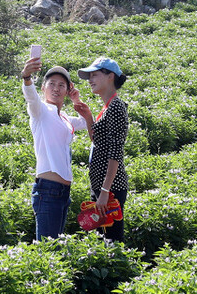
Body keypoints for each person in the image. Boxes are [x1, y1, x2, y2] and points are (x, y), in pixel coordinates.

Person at [21, 56, 88, 239]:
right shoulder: (41, 111)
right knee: (48, 248)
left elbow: (86, 122)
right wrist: (27, 77)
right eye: (51, 84)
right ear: (43, 88)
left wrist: (76, 100)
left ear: (67, 90)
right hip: (48, 189)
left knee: (55, 246)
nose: (56, 88)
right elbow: (31, 98)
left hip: (63, 192)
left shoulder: (64, 117)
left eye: (61, 85)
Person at [75, 57, 129, 243]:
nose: (90, 80)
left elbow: (115, 151)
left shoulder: (116, 107)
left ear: (110, 76)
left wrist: (105, 190)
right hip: (101, 186)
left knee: (112, 240)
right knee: (101, 240)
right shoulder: (108, 107)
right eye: (89, 76)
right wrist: (88, 117)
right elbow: (97, 141)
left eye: (95, 75)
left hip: (110, 189)